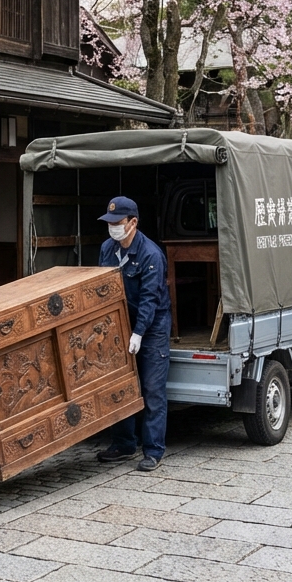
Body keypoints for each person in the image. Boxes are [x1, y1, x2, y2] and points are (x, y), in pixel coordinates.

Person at [96, 196, 171, 472]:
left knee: (152, 389)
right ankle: (123, 443)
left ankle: (153, 450)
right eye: (110, 223)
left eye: (118, 223)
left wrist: (138, 333)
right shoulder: (107, 249)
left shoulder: (150, 254)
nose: (113, 227)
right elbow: (100, 287)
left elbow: (150, 299)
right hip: (120, 323)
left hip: (152, 327)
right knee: (121, 385)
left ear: (133, 223)